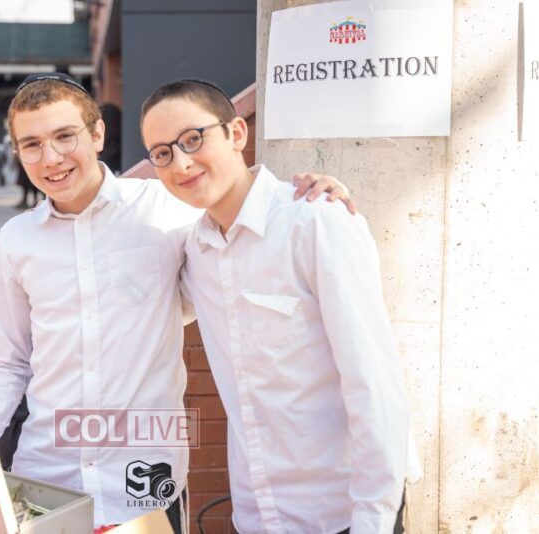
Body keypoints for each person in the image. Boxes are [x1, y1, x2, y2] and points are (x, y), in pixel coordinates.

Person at [0, 73, 353, 533]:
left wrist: (304, 196)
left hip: (144, 479)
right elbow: (4, 363)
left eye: (65, 136)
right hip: (46, 473)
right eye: (31, 144)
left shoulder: (169, 208)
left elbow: (242, 220)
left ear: (97, 134)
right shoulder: (16, 240)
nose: (51, 158)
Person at [140, 79, 411, 534]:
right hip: (258, 512)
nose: (181, 162)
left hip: (342, 510)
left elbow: (374, 381)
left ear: (236, 133)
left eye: (193, 139)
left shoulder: (316, 220)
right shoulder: (196, 251)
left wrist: (374, 517)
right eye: (162, 153)